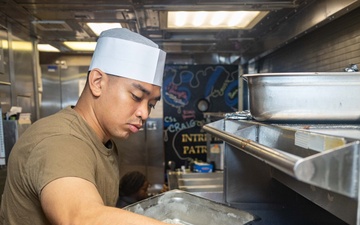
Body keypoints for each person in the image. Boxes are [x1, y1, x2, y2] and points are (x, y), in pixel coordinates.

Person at [0, 28, 168, 225]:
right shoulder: (59, 141)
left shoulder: (103, 142)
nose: (145, 113)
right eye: (136, 97)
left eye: (151, 104)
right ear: (97, 82)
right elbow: (80, 217)